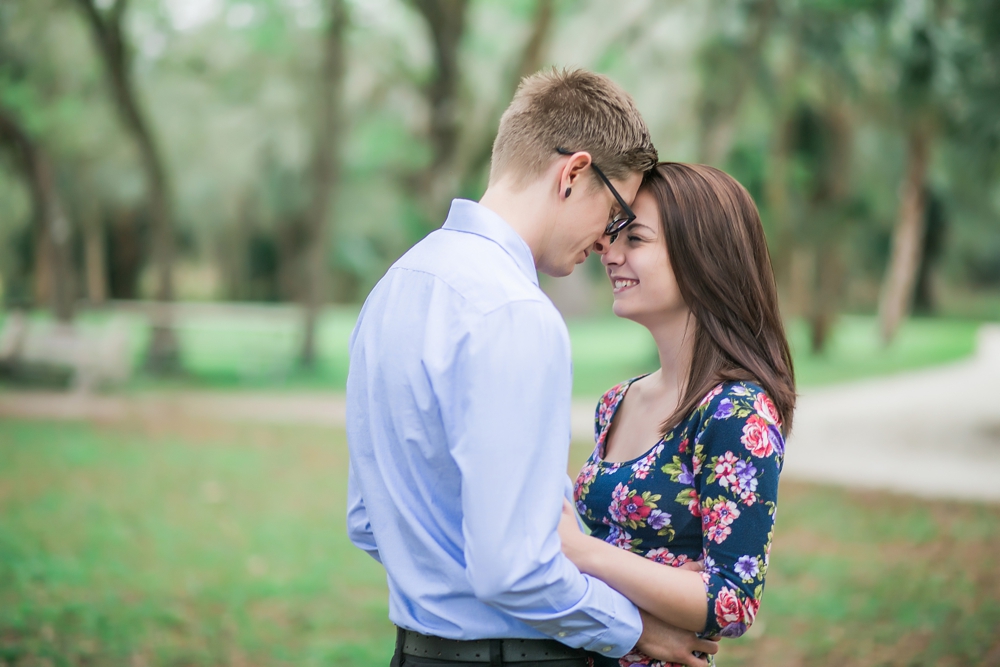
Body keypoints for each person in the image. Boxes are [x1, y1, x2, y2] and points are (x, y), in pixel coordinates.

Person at [346, 69, 720, 667]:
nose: (607, 242)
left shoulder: (393, 289)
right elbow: (514, 569)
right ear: (573, 173)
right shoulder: (516, 313)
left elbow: (367, 521)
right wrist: (634, 629)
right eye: (616, 210)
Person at [559, 163, 796, 667]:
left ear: (702, 258)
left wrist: (584, 553)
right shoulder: (616, 402)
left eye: (636, 239)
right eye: (612, 236)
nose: (611, 254)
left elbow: (731, 602)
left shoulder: (735, 412)